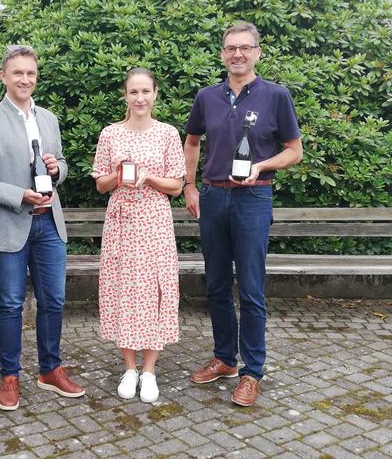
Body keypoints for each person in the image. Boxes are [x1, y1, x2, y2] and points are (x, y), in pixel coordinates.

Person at [184, 22, 303, 407]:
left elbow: (294, 150)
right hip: (214, 197)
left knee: (251, 289)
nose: (237, 54)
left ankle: (252, 371)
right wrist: (189, 185)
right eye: (231, 48)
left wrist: (262, 164)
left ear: (257, 52)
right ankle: (224, 359)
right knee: (217, 285)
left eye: (245, 48)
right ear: (222, 54)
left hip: (254, 198)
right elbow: (192, 140)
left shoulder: (276, 96)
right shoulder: (207, 96)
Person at [0, 45, 85, 411]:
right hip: (12, 224)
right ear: (3, 75)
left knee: (54, 301)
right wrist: (19, 195)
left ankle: (50, 369)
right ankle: (10, 375)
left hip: (50, 224)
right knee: (12, 304)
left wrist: (56, 169)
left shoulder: (48, 118)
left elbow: (62, 164)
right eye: (17, 73)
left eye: (30, 73)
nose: (25, 79)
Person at [91, 67, 186, 403]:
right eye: (134, 92)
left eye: (146, 91)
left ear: (156, 93)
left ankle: (150, 370)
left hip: (154, 223)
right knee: (124, 290)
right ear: (125, 95)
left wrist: (147, 176)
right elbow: (100, 184)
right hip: (121, 222)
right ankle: (129, 368)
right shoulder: (110, 134)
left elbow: (176, 185)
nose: (140, 98)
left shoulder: (168, 134)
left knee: (154, 291)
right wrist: (118, 175)